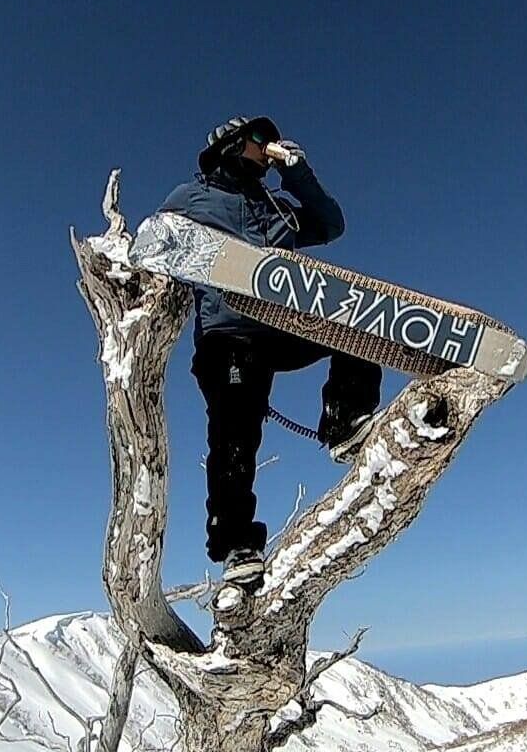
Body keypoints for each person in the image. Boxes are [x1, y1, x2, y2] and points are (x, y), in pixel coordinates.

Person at [158, 116, 382, 588]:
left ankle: (343, 420)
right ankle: (236, 543)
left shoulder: (277, 208)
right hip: (227, 337)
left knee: (357, 329)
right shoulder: (192, 199)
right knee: (236, 436)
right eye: (261, 140)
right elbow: (156, 246)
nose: (269, 147)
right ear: (232, 145)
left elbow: (330, 224)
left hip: (279, 327)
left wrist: (297, 173)